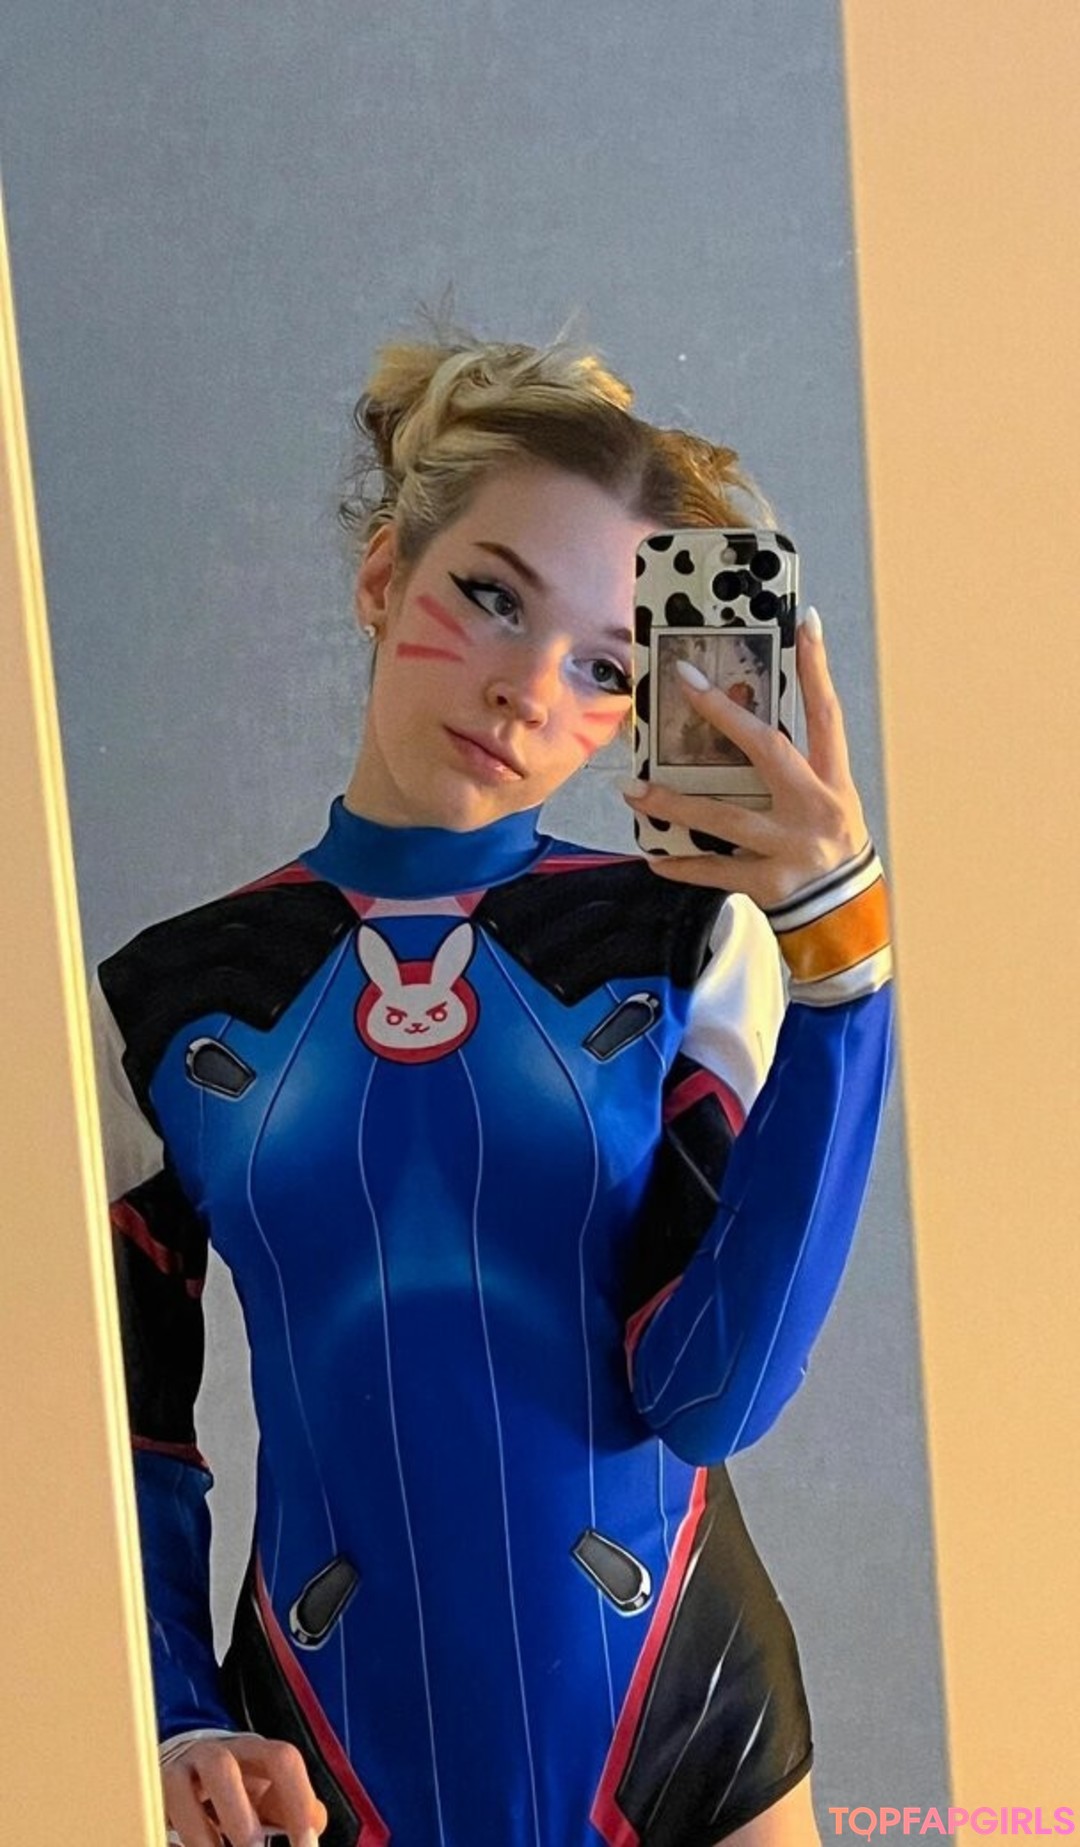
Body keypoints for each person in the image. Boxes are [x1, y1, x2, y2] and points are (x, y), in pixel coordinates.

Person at [91, 332, 894, 1847]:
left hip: (685, 1726)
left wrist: (843, 975)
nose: (529, 689)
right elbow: (125, 1432)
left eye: (605, 666)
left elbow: (711, 1393)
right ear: (383, 578)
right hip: (317, 1749)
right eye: (494, 596)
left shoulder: (686, 947)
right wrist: (176, 1708)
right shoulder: (163, 1000)